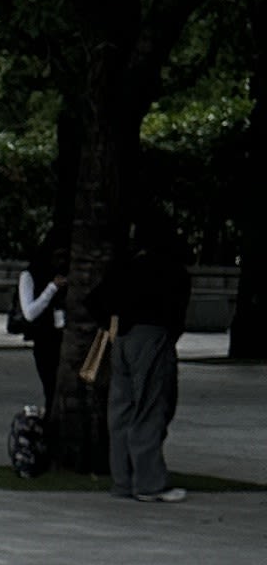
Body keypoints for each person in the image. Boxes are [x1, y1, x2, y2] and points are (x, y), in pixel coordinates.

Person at [97, 198, 193, 503]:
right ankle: (149, 482)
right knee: (151, 407)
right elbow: (177, 308)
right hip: (152, 336)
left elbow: (96, 300)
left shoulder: (125, 264)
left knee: (121, 409)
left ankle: (123, 479)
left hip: (122, 336)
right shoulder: (168, 266)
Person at [15, 234, 65, 418]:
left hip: (63, 338)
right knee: (51, 387)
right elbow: (30, 313)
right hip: (45, 340)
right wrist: (51, 288)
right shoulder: (30, 276)